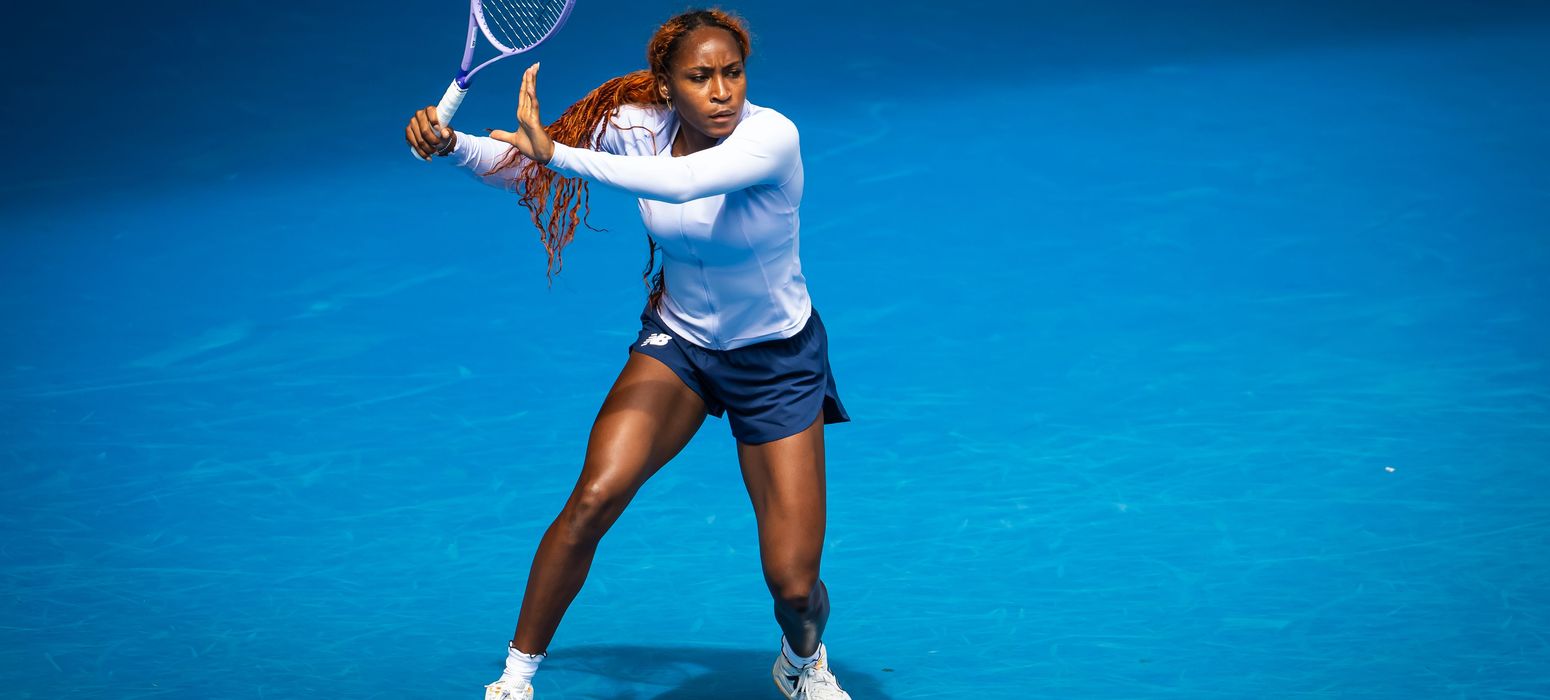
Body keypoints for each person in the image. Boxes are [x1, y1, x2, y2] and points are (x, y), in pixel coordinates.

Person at [404, 8, 852, 700]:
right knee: (593, 497)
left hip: (777, 363)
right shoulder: (634, 125)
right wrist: (452, 144)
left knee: (794, 585)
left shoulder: (771, 138)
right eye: (700, 78)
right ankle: (514, 680)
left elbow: (677, 185)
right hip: (681, 346)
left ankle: (801, 661)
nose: (722, 91)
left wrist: (557, 154)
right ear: (665, 88)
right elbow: (528, 166)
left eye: (732, 73)